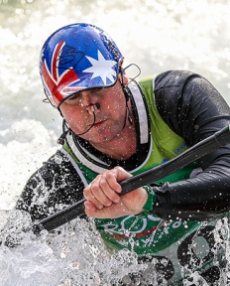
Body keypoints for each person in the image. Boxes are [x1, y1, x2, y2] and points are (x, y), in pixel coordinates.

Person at [16, 23, 230, 285]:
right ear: (56, 105)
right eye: (73, 98)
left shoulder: (179, 97)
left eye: (98, 88)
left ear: (121, 75)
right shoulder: (59, 181)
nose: (90, 107)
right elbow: (12, 256)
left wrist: (149, 200)